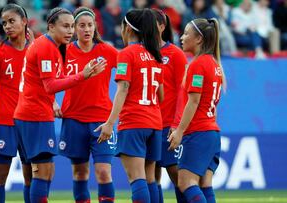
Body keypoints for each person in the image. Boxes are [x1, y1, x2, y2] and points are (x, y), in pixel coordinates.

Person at [13, 7, 106, 203]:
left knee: (42, 172)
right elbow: (50, 86)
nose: (70, 31)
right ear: (51, 26)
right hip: (34, 116)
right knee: (42, 172)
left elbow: (56, 78)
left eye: (72, 26)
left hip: (31, 115)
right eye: (65, 26)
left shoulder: (50, 46)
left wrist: (79, 75)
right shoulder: (46, 48)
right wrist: (82, 75)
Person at [95, 8, 164, 203]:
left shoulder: (126, 54)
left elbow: (123, 88)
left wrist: (109, 123)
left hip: (134, 122)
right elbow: (161, 94)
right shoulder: (156, 56)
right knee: (150, 179)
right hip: (154, 123)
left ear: (127, 29)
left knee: (137, 179)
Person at [58, 7, 118, 203]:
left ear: (95, 27)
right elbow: (44, 79)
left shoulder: (107, 51)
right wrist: (51, 102)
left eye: (90, 25)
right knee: (80, 173)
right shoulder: (65, 51)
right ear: (74, 28)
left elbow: (130, 69)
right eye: (82, 25)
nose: (86, 29)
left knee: (103, 172)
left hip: (101, 120)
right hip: (74, 119)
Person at [168, 18, 226, 203]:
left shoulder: (198, 64)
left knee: (185, 182)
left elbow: (193, 102)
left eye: (186, 33)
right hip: (212, 133)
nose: (182, 37)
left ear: (199, 39)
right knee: (204, 184)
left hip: (198, 134)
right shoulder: (215, 64)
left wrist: (179, 131)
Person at [0, 3, 33, 203]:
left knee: (31, 177)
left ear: (24, 22)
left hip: (30, 121)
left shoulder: (37, 50)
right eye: (4, 23)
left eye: (12, 21)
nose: (7, 26)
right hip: (5, 122)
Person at [152, 8, 188, 203]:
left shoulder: (175, 54)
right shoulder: (141, 52)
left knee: (176, 173)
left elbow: (183, 92)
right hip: (149, 123)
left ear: (162, 26)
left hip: (168, 124)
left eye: (151, 23)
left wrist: (177, 124)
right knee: (152, 174)